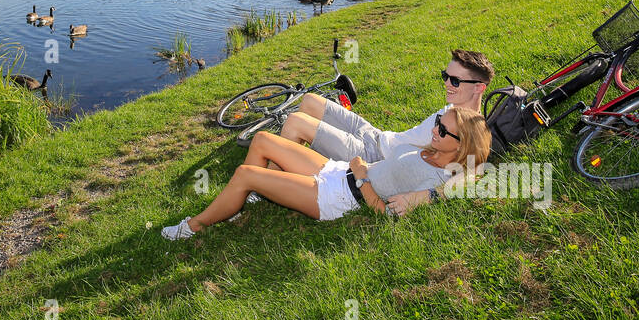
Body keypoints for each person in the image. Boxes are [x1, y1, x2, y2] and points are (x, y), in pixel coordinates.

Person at [161, 108, 491, 239]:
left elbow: (386, 213)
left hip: (337, 197)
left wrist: (362, 177)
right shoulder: (435, 152)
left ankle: (194, 226)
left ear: (462, 148)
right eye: (438, 123)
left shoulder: (437, 180)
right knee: (262, 140)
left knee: (246, 174)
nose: (435, 131)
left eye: (444, 132)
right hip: (336, 171)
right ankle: (236, 206)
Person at [278, 49, 494, 164]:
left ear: (479, 88)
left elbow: (461, 171)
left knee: (295, 123)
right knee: (309, 100)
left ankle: (265, 183)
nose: (447, 84)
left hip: (371, 156)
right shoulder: (454, 109)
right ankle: (295, 156)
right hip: (376, 135)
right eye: (445, 76)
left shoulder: (465, 131)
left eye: (455, 81)